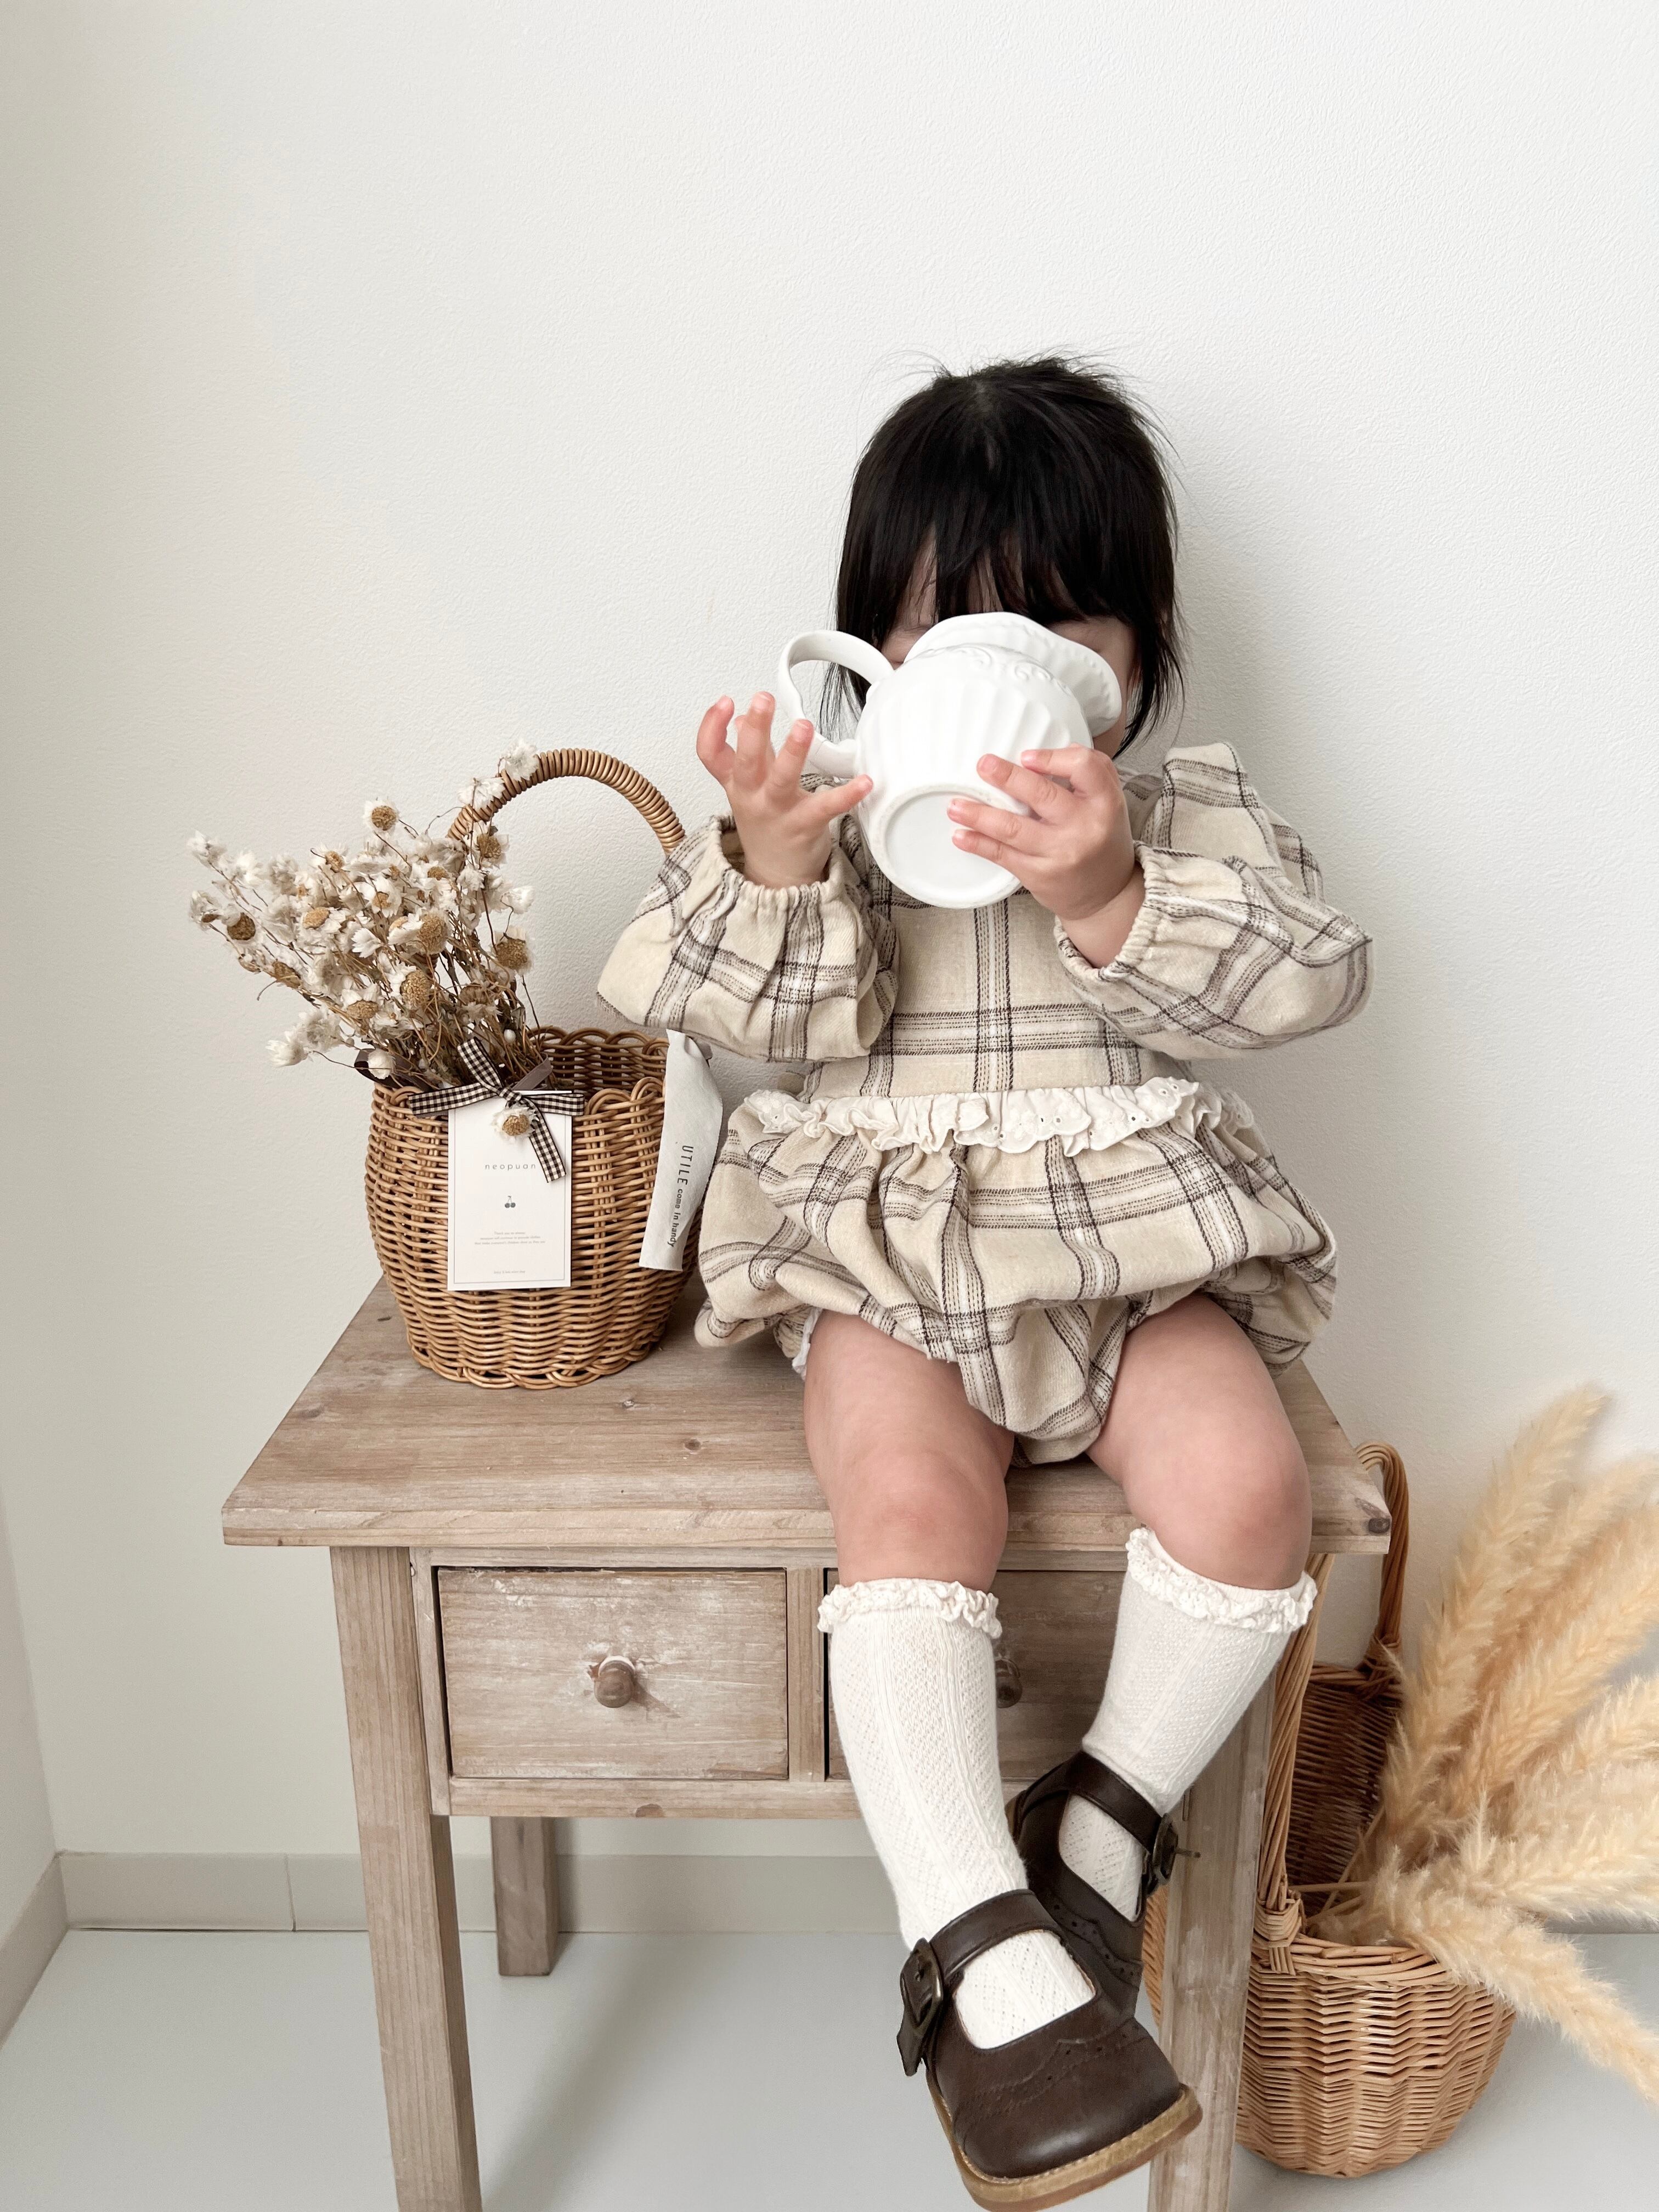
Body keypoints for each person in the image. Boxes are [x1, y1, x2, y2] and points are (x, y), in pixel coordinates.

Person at [599, 355, 1371, 2207]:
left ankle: (1099, 1812)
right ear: (877, 653)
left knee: (1251, 1485)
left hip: (1127, 1262)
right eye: (948, 628)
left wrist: (1107, 887)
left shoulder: (1180, 816)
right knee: (907, 1501)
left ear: (1135, 658)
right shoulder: (843, 821)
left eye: (1058, 628)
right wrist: (774, 857)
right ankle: (967, 1929)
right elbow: (735, 1016)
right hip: (892, 1263)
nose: (1000, 666)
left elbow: (1306, 979)